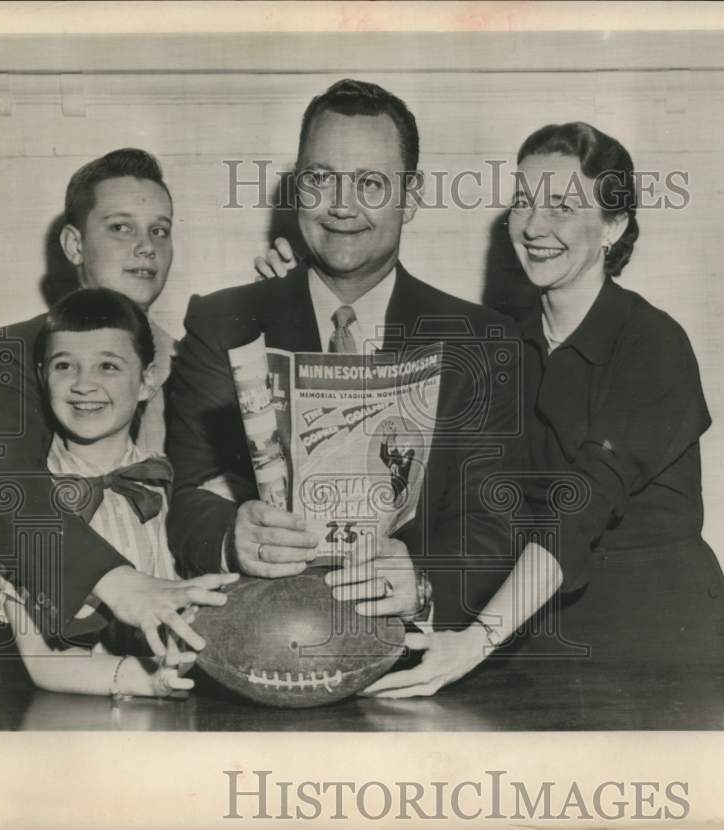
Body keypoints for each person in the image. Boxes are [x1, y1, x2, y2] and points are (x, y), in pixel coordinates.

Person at [259, 122, 724, 699]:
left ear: (614, 224)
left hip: (652, 645)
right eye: (524, 202)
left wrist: (474, 643)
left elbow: (577, 508)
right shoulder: (499, 344)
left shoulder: (652, 344)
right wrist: (302, 290)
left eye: (562, 206)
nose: (533, 226)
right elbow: (407, 471)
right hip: (528, 639)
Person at [166, 79, 525, 628]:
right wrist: (229, 535)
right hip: (264, 642)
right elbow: (186, 492)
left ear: (412, 197)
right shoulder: (222, 322)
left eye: (371, 183)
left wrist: (425, 580)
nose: (341, 205)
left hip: (415, 661)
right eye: (320, 178)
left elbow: (496, 521)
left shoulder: (482, 341)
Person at [0, 148, 216, 654]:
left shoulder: (191, 360)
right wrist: (120, 583)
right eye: (121, 228)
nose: (146, 247)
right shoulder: (9, 352)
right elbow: (3, 487)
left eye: (160, 231)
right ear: (75, 245)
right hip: (40, 654)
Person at [0, 288, 237, 697]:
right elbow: (42, 660)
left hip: (187, 701)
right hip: (81, 717)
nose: (84, 384)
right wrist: (147, 680)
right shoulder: (24, 507)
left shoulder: (173, 485)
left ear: (147, 381)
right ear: (41, 377)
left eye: (108, 365)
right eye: (65, 365)